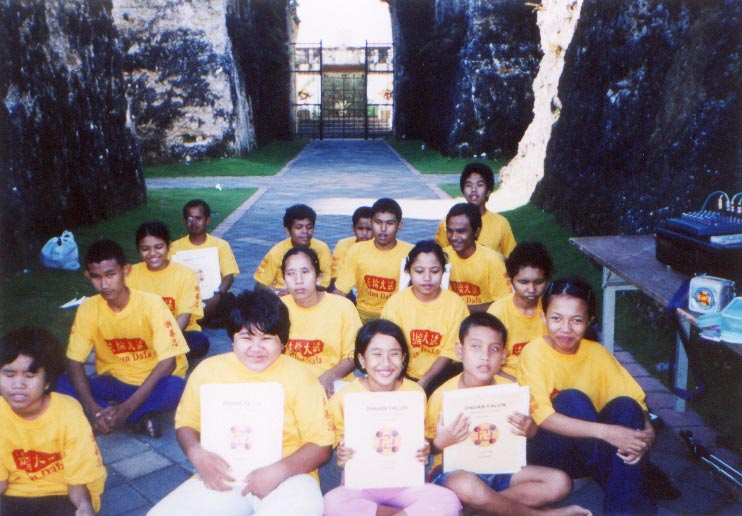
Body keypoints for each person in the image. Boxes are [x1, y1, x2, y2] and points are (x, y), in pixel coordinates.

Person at [148, 289, 334, 516]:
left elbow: (321, 445)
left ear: (283, 342)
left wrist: (279, 471)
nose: (256, 348)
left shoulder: (301, 377)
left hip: (289, 476)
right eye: (246, 338)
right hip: (224, 475)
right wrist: (197, 454)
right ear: (232, 339)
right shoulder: (208, 371)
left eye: (267, 339)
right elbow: (186, 423)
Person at [426, 313, 591, 516]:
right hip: (454, 472)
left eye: (494, 349)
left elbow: (531, 432)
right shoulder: (441, 395)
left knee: (560, 482)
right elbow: (428, 448)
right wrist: (440, 443)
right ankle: (541, 514)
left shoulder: (512, 390)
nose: (485, 356)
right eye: (475, 347)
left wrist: (530, 429)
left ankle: (477, 507)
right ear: (459, 351)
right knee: (465, 485)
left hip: (501, 467)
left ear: (504, 355)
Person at [518, 278, 655, 515]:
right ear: (543, 318)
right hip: (551, 454)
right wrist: (608, 433)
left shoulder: (597, 353)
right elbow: (543, 418)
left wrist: (646, 437)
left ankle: (623, 508)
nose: (565, 329)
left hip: (590, 452)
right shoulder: (534, 353)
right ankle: (628, 483)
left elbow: (634, 401)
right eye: (556, 318)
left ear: (589, 321)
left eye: (576, 320)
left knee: (627, 406)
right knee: (572, 400)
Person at [323, 319, 462, 516]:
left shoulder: (415, 393)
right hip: (361, 485)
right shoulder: (344, 397)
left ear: (403, 358)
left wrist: (424, 448)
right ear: (362, 360)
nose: (386, 363)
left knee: (448, 500)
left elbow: (419, 440)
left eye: (394, 354)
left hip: (406, 483)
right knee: (332, 503)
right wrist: (342, 453)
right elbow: (337, 446)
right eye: (376, 354)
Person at [56, 240, 189, 438]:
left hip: (152, 383)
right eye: (96, 277)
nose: (104, 284)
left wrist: (128, 407)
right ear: (88, 276)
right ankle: (124, 417)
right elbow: (74, 362)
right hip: (115, 382)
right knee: (62, 383)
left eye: (111, 274)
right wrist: (92, 408)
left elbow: (168, 363)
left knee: (177, 388)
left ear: (125, 271)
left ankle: (119, 416)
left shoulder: (151, 304)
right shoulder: (88, 309)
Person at [1, 327, 107, 516]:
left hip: (62, 492)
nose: (18, 385)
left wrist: (84, 505)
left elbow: (77, 482)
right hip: (14, 493)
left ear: (48, 381)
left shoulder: (68, 414)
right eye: (9, 375)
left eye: (29, 376)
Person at [381, 241, 469, 395]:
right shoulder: (395, 303)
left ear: (443, 271)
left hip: (444, 375)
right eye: (419, 271)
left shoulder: (456, 304)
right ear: (408, 271)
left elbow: (450, 351)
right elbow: (389, 346)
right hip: (402, 375)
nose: (427, 278)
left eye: (434, 271)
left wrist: (425, 381)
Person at [281, 246, 362, 397]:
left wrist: (329, 377)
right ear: (284, 280)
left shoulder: (343, 307)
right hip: (290, 383)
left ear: (318, 277)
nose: (298, 280)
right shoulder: (277, 308)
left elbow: (353, 355)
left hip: (335, 382)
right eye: (291, 274)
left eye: (305, 272)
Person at [128, 221, 210, 360]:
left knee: (199, 342)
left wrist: (163, 341)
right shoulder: (130, 274)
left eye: (158, 247)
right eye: (145, 249)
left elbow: (184, 315)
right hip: (144, 333)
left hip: (177, 331)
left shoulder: (185, 274)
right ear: (138, 249)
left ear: (168, 246)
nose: (152, 253)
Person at [334, 198, 414, 322]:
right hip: (362, 316)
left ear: (399, 225)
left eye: (390, 223)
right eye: (378, 222)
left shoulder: (411, 253)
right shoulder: (357, 250)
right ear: (371, 222)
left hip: (397, 316)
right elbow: (341, 290)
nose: (383, 228)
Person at [487, 241, 553, 377]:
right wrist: (519, 385)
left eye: (538, 282)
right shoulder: (498, 312)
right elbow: (488, 363)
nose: (531, 289)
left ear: (546, 280)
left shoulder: (553, 309)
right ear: (510, 279)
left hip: (547, 376)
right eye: (523, 282)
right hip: (507, 379)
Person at [169, 199, 240, 324]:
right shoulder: (174, 248)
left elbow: (228, 276)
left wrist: (216, 297)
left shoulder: (221, 245)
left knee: (231, 303)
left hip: (214, 298)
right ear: (184, 222)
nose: (194, 222)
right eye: (190, 218)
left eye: (198, 218)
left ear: (207, 220)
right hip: (186, 301)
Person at [435, 162, 516, 258]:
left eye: (479, 185)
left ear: (488, 191)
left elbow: (513, 259)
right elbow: (438, 257)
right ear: (463, 190)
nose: (473, 189)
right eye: (469, 185)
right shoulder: (449, 223)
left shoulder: (501, 224)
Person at [443, 203, 510, 313]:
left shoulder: (492, 260)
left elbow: (504, 303)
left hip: (485, 320)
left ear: (476, 231)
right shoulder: (443, 257)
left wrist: (462, 309)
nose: (454, 237)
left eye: (461, 231)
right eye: (450, 231)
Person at [254, 204, 332, 295]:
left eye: (309, 227)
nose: (305, 232)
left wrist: (300, 291)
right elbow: (260, 286)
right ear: (287, 230)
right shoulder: (277, 251)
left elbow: (328, 282)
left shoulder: (322, 248)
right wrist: (278, 293)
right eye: (299, 227)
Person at [330, 206, 373, 285]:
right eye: (360, 229)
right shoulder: (343, 244)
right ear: (353, 228)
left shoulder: (382, 248)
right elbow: (335, 276)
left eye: (369, 229)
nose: (364, 233)